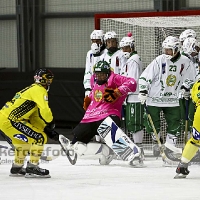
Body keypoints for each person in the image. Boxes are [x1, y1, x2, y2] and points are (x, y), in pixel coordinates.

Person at [66, 60, 142, 166]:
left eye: (102, 74)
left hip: (109, 114)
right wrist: (89, 100)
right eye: (97, 74)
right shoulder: (94, 80)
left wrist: (117, 92)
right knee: (79, 139)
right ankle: (104, 151)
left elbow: (132, 83)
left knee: (106, 127)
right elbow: (96, 95)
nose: (99, 77)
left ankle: (134, 155)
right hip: (92, 116)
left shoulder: (115, 78)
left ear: (108, 73)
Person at [138, 36, 196, 158]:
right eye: (165, 49)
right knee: (150, 123)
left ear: (176, 49)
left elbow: (192, 78)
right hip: (154, 98)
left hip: (173, 99)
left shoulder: (186, 62)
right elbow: (146, 75)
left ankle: (169, 149)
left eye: (169, 50)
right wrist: (143, 90)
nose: (166, 52)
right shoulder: (159, 60)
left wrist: (186, 88)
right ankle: (158, 141)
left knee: (175, 123)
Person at [0, 68, 59, 178]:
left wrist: (45, 128)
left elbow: (34, 117)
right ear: (44, 80)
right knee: (40, 138)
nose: (50, 81)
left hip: (4, 119)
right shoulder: (40, 91)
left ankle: (16, 168)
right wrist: (50, 122)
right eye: (49, 78)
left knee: (23, 144)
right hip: (11, 120)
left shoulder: (32, 89)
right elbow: (45, 111)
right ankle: (32, 167)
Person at [119, 34, 145, 159]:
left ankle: (139, 149)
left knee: (135, 122)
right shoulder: (129, 60)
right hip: (129, 96)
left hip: (134, 96)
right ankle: (135, 148)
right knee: (130, 122)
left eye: (126, 48)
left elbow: (132, 80)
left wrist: (123, 92)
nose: (124, 51)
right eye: (122, 48)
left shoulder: (134, 60)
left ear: (132, 47)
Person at [175, 80, 200, 178]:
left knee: (195, 140)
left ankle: (182, 165)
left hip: (198, 113)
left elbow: (193, 98)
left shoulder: (197, 83)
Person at [179, 37, 200, 142]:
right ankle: (188, 142)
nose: (197, 50)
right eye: (195, 47)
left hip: (193, 94)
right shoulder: (182, 60)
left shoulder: (194, 60)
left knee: (193, 119)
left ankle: (194, 143)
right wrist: (184, 87)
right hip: (183, 94)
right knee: (185, 119)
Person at [83, 30, 106, 96]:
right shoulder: (89, 54)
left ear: (102, 41)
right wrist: (87, 88)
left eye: (97, 41)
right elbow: (88, 71)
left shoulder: (106, 53)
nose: (95, 44)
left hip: (104, 88)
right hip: (93, 88)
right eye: (93, 41)